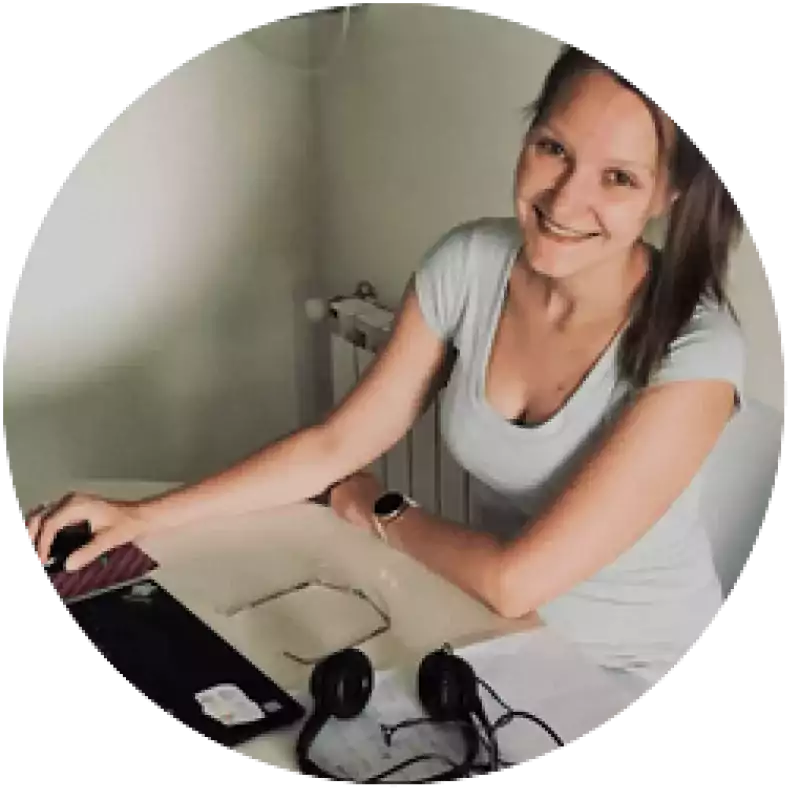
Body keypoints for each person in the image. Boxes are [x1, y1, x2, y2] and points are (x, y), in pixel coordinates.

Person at [25, 43, 745, 691]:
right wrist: (140, 517)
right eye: (553, 148)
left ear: (667, 194)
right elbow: (336, 446)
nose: (565, 200)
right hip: (498, 642)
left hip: (638, 670)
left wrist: (378, 509)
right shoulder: (470, 262)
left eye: (618, 178)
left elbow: (514, 578)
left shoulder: (700, 352)